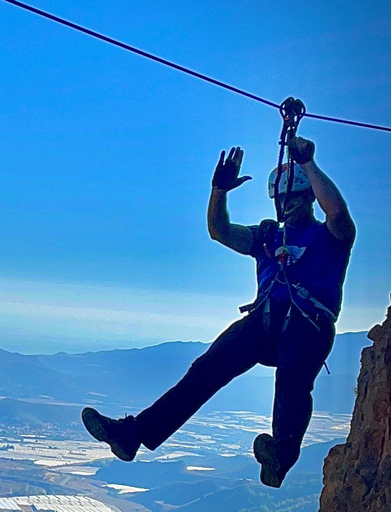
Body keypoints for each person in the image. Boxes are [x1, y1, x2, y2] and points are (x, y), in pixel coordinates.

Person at [81, 136, 355, 488]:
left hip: (309, 324)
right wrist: (218, 191)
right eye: (281, 199)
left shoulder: (331, 237)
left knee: (292, 381)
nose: (286, 205)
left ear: (309, 198)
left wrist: (308, 164)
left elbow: (337, 212)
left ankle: (281, 454)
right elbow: (220, 231)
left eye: (293, 197)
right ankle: (133, 435)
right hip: (265, 321)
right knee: (206, 370)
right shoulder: (268, 237)